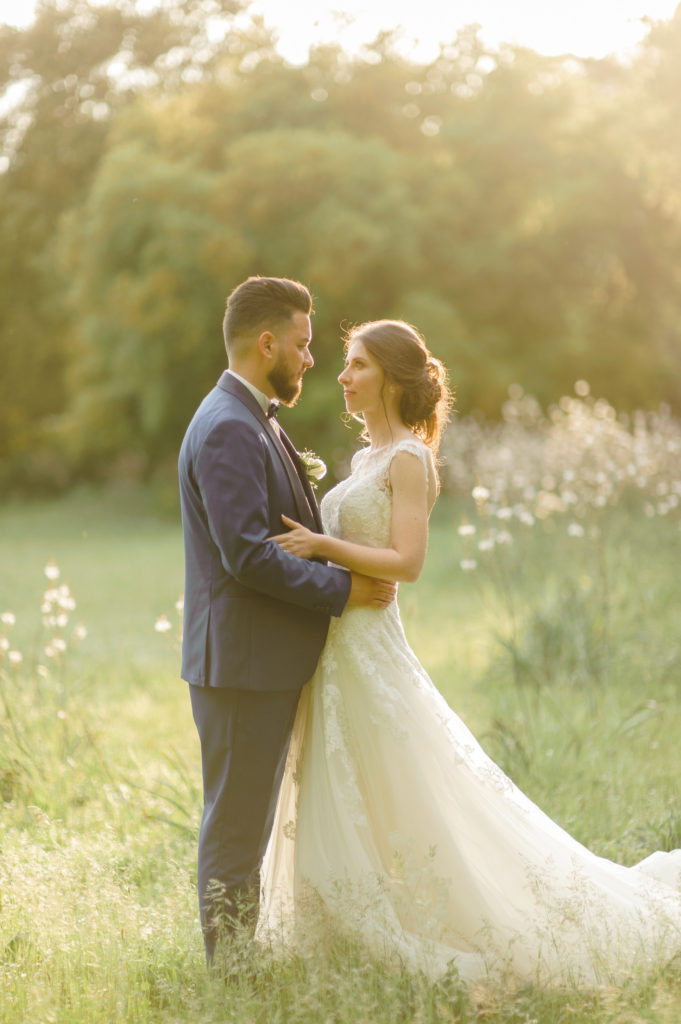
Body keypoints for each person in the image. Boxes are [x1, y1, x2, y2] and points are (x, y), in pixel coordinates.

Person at [259, 318, 681, 986]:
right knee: (351, 783)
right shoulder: (365, 459)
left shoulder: (408, 459)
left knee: (412, 785)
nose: (342, 376)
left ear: (393, 379)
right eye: (344, 364)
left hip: (370, 646)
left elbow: (407, 561)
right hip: (338, 645)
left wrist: (324, 546)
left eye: (357, 364)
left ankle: (449, 920)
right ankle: (342, 927)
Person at [177, 277, 396, 963]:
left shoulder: (253, 418)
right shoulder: (227, 429)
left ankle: (238, 961)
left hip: (256, 659)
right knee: (237, 825)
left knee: (245, 818)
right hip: (240, 663)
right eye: (301, 344)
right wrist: (344, 589)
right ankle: (232, 975)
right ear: (265, 341)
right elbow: (246, 556)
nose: (309, 359)